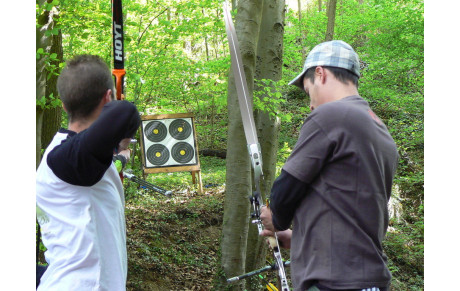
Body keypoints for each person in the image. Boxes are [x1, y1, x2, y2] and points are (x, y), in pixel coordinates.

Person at [259, 40, 399, 291]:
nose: (310, 104)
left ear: (320, 73)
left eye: (307, 90)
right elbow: (353, 211)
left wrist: (274, 220)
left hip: (333, 282)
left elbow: (285, 190)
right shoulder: (379, 129)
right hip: (369, 278)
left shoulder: (330, 115)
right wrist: (300, 238)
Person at [36, 54, 141, 290]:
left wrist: (119, 158)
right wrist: (120, 137)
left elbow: (102, 166)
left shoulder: (72, 160)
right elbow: (125, 112)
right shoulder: (65, 159)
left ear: (63, 105)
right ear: (108, 97)